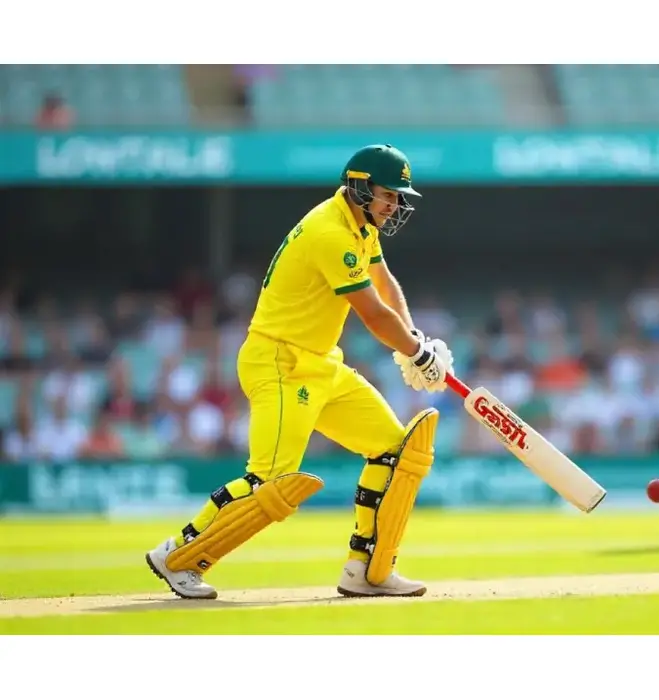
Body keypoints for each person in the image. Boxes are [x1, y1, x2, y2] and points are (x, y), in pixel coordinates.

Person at [145, 144, 454, 600]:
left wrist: (414, 343)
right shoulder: (330, 232)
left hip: (322, 363)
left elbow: (386, 284)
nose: (394, 205)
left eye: (396, 196)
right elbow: (371, 313)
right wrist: (416, 351)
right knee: (270, 482)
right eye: (388, 195)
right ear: (360, 187)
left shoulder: (359, 226)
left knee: (395, 453)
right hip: (280, 362)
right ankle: (177, 556)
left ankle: (367, 570)